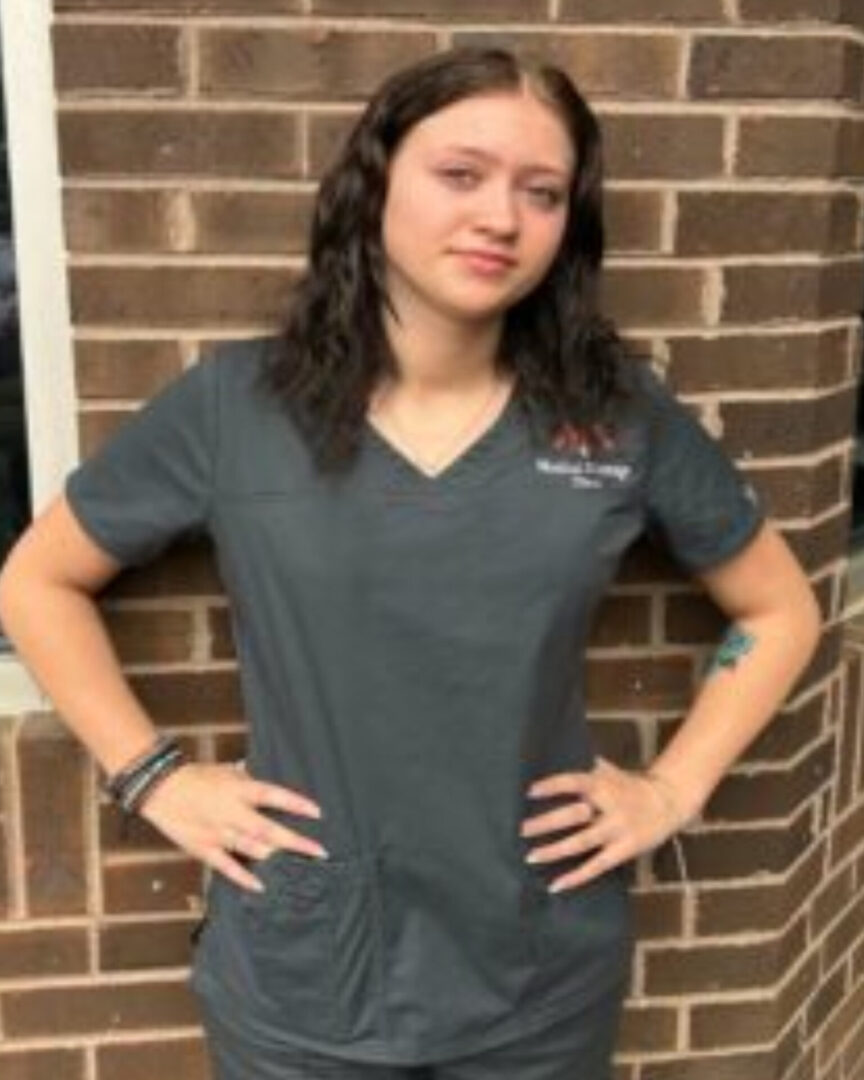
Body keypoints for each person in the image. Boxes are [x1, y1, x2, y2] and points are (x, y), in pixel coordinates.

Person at [0, 46, 821, 1080]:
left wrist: (670, 790)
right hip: (305, 979)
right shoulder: (236, 409)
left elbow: (781, 609)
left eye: (542, 192)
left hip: (537, 978)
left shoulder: (616, 417)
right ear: (377, 178)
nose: (500, 218)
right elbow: (37, 579)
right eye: (460, 174)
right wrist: (153, 778)